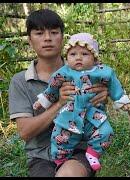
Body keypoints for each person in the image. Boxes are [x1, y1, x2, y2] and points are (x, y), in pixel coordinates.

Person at [8, 9, 108, 177]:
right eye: (39, 33)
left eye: (54, 32)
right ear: (30, 40)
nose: (47, 38)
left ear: (62, 38)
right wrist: (59, 103)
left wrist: (103, 95)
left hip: (78, 150)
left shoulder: (86, 73)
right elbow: (25, 132)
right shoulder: (20, 81)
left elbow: (99, 111)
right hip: (41, 156)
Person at [32, 32, 130, 172]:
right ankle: (60, 158)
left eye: (84, 54)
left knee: (106, 132)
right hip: (69, 117)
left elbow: (114, 85)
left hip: (93, 117)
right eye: (73, 54)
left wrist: (120, 100)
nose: (78, 58)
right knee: (59, 137)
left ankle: (93, 153)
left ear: (95, 58)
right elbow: (53, 87)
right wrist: (44, 100)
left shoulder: (104, 72)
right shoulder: (64, 72)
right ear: (67, 57)